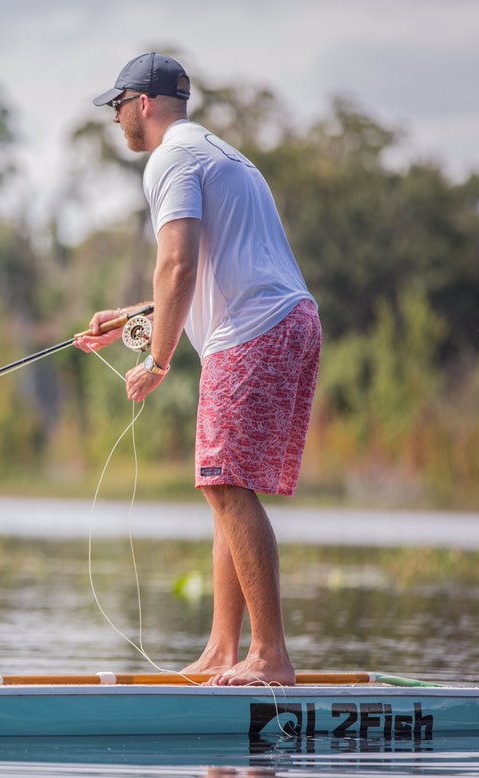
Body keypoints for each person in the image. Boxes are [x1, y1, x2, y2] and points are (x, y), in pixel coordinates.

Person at [74, 53, 321, 687]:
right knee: (226, 486)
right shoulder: (220, 154)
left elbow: (178, 265)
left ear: (144, 103)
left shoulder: (171, 159)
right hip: (288, 321)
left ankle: (269, 657)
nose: (117, 117)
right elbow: (210, 272)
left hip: (253, 332)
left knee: (224, 485)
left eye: (118, 105)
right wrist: (131, 317)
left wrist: (157, 360)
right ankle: (221, 651)